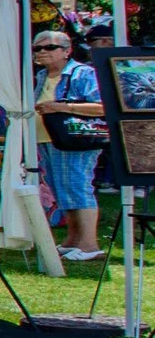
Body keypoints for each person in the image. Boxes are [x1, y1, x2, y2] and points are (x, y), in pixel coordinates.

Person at [34, 29, 107, 261]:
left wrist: (62, 107)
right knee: (61, 189)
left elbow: (103, 106)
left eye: (49, 47)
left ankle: (89, 244)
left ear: (67, 51)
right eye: (37, 48)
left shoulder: (82, 73)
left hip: (75, 140)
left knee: (77, 186)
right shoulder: (41, 76)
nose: (42, 52)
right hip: (47, 138)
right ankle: (73, 240)